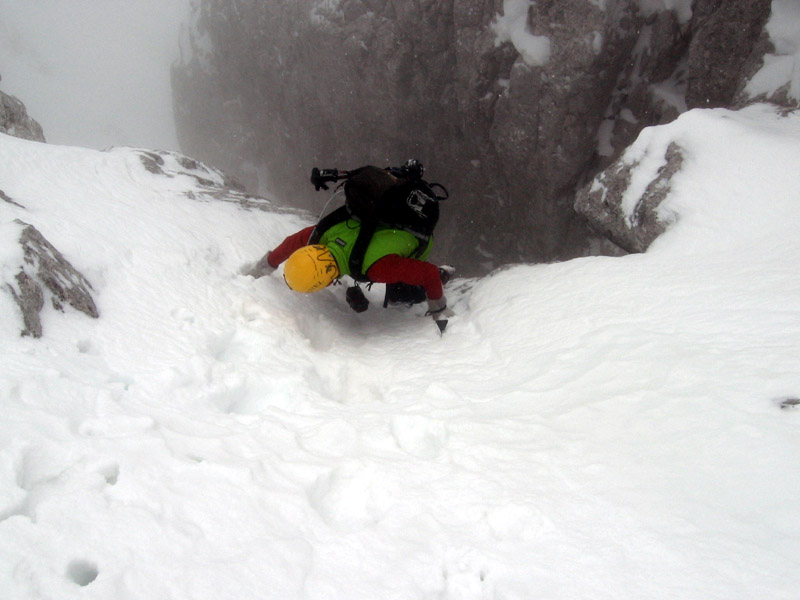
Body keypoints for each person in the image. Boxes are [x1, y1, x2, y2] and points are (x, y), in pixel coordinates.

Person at [248, 160, 454, 331]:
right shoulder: (322, 236)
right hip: (380, 219)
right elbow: (290, 244)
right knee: (398, 274)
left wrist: (440, 312)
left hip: (414, 235)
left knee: (401, 295)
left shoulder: (377, 268)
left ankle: (444, 273)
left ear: (325, 282)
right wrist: (265, 265)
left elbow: (428, 274)